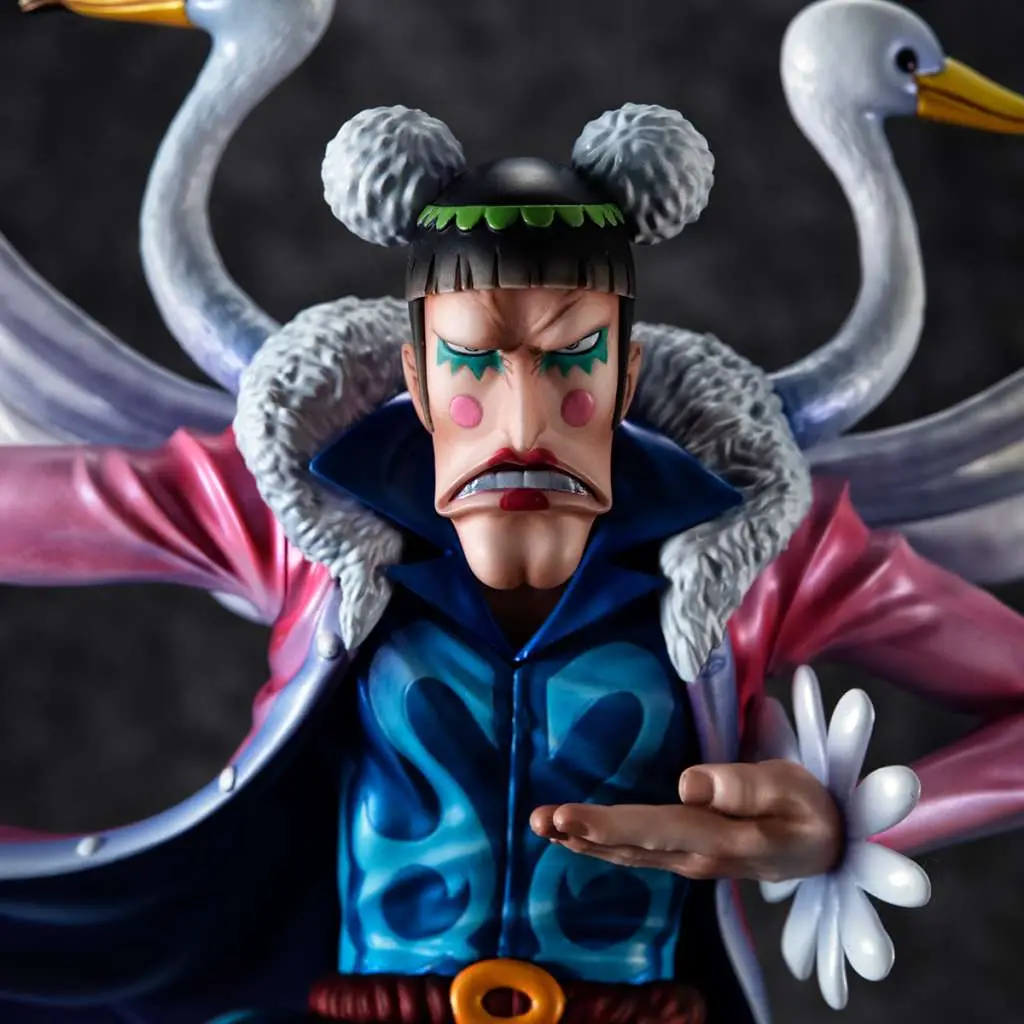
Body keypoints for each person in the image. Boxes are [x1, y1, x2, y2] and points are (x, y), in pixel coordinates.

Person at [0, 103, 1022, 1024]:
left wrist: (849, 827)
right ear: (413, 374)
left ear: (626, 373)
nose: (524, 423)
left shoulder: (763, 551)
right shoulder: (297, 513)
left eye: (572, 359)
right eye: (473, 362)